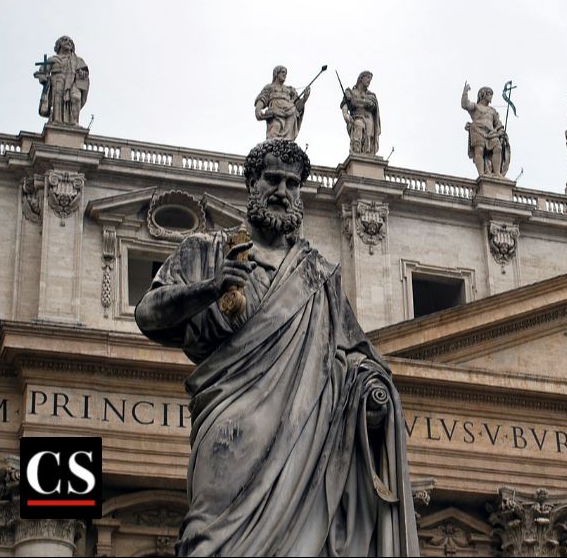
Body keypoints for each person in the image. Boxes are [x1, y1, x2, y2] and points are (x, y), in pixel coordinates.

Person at [135, 139, 418, 556]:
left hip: (304, 440)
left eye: (292, 183)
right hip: (229, 432)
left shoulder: (320, 276)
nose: (282, 191)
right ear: (252, 183)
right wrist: (211, 289)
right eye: (272, 179)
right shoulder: (208, 250)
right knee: (207, 544)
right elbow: (148, 314)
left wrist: (371, 395)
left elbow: (356, 354)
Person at [34, 35, 89, 126]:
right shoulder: (52, 59)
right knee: (58, 100)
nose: (68, 42)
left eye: (70, 41)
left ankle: (74, 122)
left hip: (73, 82)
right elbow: (42, 71)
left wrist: (83, 73)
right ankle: (56, 121)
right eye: (65, 40)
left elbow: (84, 72)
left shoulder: (77, 60)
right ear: (59, 44)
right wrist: (43, 77)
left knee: (76, 97)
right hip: (57, 81)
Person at [461, 82, 510, 177]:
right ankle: (482, 174)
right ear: (483, 94)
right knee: (479, 150)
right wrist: (465, 92)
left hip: (491, 133)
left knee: (498, 148)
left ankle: (497, 173)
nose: (491, 97)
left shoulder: (492, 111)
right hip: (477, 130)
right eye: (490, 94)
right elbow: (465, 105)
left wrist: (498, 131)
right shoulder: (475, 106)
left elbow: (498, 124)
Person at [254, 65, 310, 141]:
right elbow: (262, 98)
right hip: (275, 113)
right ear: (276, 73)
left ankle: (286, 148)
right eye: (283, 72)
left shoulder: (290, 90)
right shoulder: (270, 87)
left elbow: (297, 107)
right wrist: (258, 108)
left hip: (290, 113)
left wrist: (304, 99)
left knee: (288, 139)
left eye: (286, 73)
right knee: (276, 128)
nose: (285, 75)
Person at [342, 71, 381, 155]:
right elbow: (345, 105)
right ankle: (356, 153)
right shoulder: (350, 92)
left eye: (370, 79)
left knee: (369, 140)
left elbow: (373, 105)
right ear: (361, 78)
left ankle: (367, 157)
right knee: (359, 125)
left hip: (369, 119)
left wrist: (359, 101)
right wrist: (346, 115)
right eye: (367, 78)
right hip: (357, 117)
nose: (369, 81)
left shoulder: (371, 95)